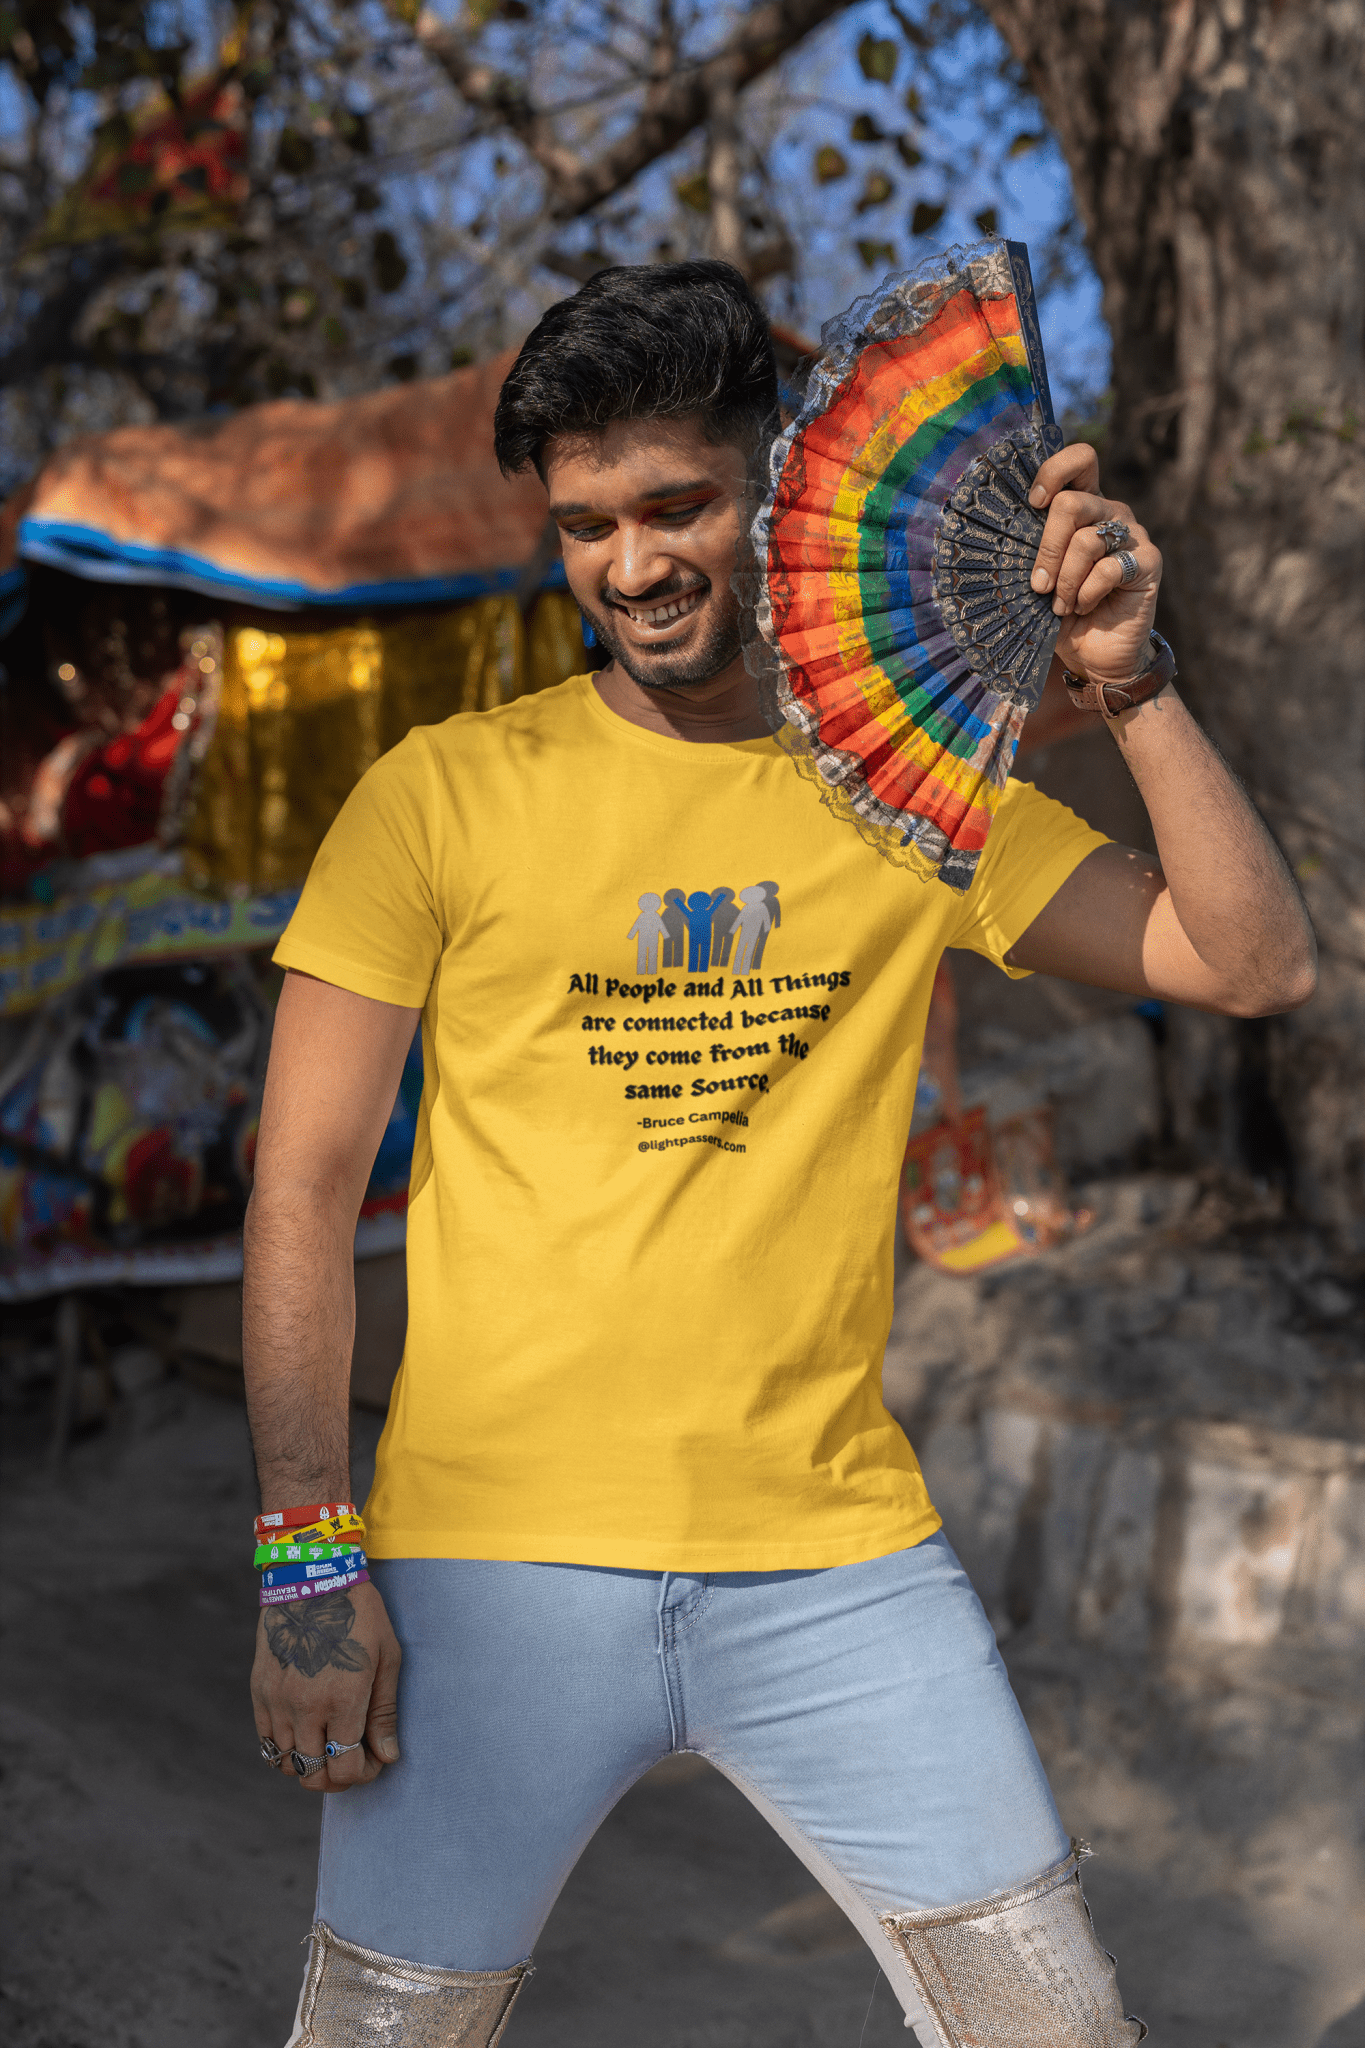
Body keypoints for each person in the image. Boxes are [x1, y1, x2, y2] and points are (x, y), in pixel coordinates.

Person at [244, 260, 1316, 2048]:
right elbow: (297, 1186)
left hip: (838, 1567)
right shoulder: (440, 793)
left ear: (780, 491)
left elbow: (1255, 963)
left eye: (676, 505)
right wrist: (304, 1562)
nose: (633, 564)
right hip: (492, 1572)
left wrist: (1132, 685)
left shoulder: (911, 792)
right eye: (585, 523)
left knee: (1057, 2032)